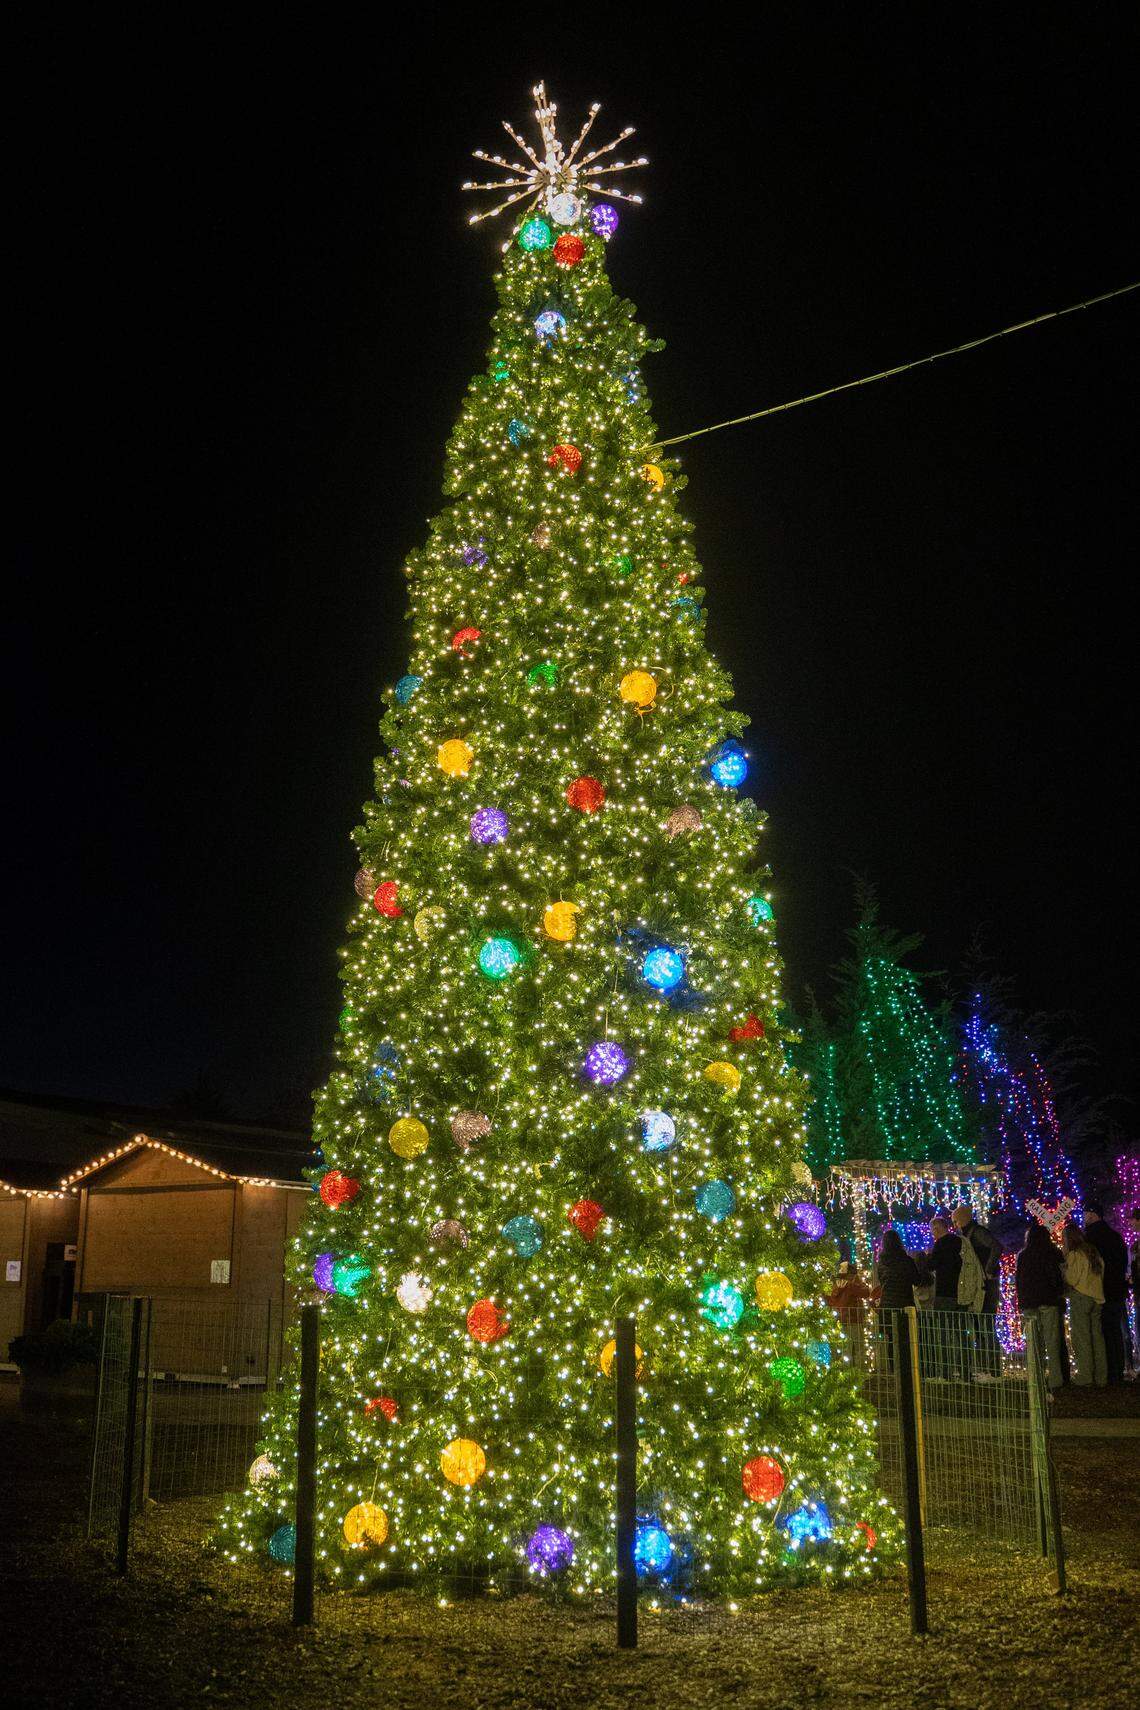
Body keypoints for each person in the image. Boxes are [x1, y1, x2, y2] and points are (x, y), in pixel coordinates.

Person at [951, 1203, 1001, 1379]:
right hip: (981, 1285)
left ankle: (993, 1370)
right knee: (981, 1329)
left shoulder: (978, 1233)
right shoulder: (970, 1234)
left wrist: (988, 1269)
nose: (955, 1225)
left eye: (956, 1221)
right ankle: (986, 1368)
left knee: (986, 1327)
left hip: (985, 1286)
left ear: (963, 1219)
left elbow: (996, 1246)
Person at [1082, 1202, 1129, 1384]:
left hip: (1100, 1290)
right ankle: (1118, 1370)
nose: (1084, 1218)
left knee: (1101, 1332)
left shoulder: (1090, 1238)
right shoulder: (1116, 1237)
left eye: (1085, 1214)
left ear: (1093, 1215)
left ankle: (1107, 1371)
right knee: (1115, 1330)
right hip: (1117, 1289)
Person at [1015, 1222, 1065, 1390]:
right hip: (1049, 1300)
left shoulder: (1023, 1256)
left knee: (1034, 1343)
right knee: (1052, 1342)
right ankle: (1055, 1379)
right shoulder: (1053, 1253)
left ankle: (1035, 1378)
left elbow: (1019, 1281)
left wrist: (1021, 1302)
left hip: (1029, 1302)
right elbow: (1058, 1277)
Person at [918, 1215, 963, 1380]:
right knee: (960, 1332)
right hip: (960, 1292)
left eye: (933, 1231)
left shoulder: (939, 1245)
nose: (932, 1234)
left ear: (938, 1228)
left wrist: (928, 1256)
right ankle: (964, 1371)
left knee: (943, 1334)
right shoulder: (959, 1242)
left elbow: (931, 1265)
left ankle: (945, 1373)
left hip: (944, 1292)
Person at [1062, 1222, 1107, 1387]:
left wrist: (1065, 1267)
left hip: (1081, 1297)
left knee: (1082, 1339)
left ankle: (1085, 1376)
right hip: (1097, 1297)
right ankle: (1101, 1376)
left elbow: (1072, 1279)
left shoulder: (1075, 1254)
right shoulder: (1093, 1252)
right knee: (1097, 1338)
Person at [874, 1228, 920, 1374]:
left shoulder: (881, 1262)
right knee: (906, 1339)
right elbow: (916, 1280)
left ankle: (894, 1369)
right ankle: (908, 1369)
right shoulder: (907, 1261)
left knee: (891, 1339)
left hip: (887, 1304)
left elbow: (882, 1281)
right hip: (904, 1303)